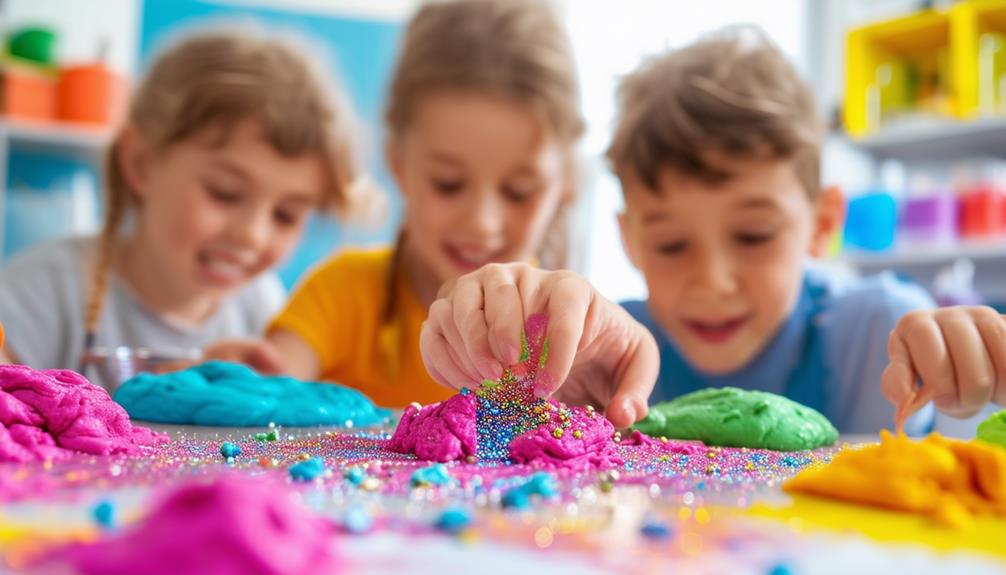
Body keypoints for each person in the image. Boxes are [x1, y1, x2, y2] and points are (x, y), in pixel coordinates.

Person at [422, 28, 940, 434]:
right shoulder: (602, 354)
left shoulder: (879, 339)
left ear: (822, 223)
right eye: (671, 244)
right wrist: (517, 361)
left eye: (754, 235)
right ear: (630, 240)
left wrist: (955, 360)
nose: (712, 282)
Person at [206, 0, 586, 408]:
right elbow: (268, 387)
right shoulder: (342, 294)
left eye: (519, 190)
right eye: (448, 184)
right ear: (398, 165)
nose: (481, 223)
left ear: (566, 183)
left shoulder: (564, 328)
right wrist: (237, 384)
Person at [0, 30, 371, 390]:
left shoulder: (264, 309)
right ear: (141, 163)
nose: (253, 234)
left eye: (286, 215)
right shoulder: (38, 295)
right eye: (224, 193)